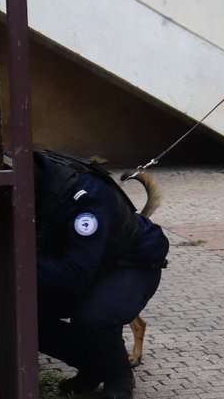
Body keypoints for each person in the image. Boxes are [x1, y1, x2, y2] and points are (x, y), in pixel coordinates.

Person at [35, 151, 169, 399]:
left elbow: (73, 277)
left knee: (93, 317)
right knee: (22, 314)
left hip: (131, 264)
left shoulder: (83, 192)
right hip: (88, 266)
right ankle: (93, 366)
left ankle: (119, 379)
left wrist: (13, 265)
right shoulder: (38, 181)